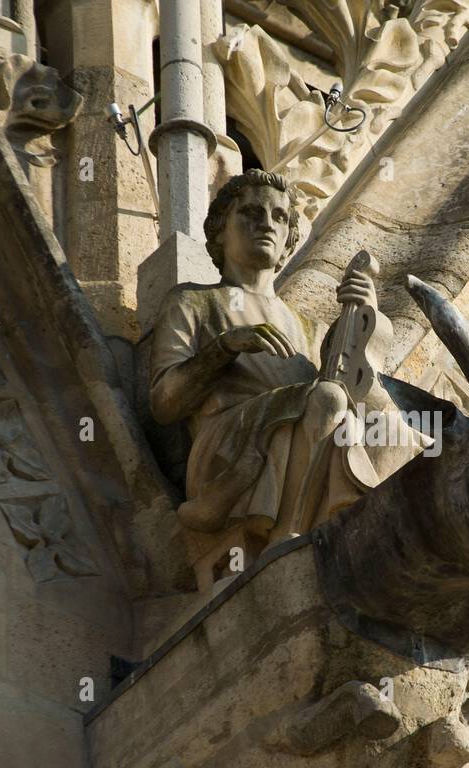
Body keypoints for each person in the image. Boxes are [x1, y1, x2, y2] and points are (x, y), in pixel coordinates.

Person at [148, 169, 425, 590]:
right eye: (252, 213)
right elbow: (165, 403)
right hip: (226, 445)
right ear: (220, 232)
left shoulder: (308, 329)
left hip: (299, 431)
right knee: (328, 399)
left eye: (280, 217)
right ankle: (287, 537)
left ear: (288, 241)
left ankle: (373, 536)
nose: (267, 224)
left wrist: (366, 316)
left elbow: (358, 391)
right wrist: (225, 347)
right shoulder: (193, 301)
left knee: (395, 431)